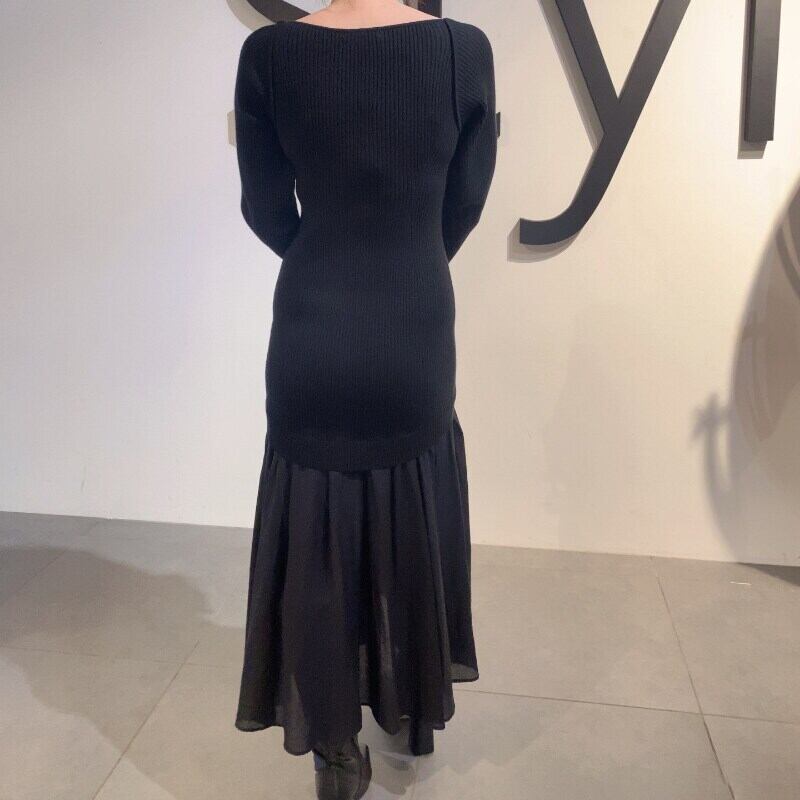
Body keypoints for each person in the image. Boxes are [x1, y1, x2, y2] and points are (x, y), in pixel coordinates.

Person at [232, 2, 497, 798]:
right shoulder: (462, 49)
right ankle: (408, 702)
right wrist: (405, 256)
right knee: (413, 512)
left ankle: (335, 754)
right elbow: (465, 201)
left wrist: (329, 258)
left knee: (315, 541)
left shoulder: (269, 55)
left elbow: (265, 208)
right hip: (414, 323)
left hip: (312, 328)